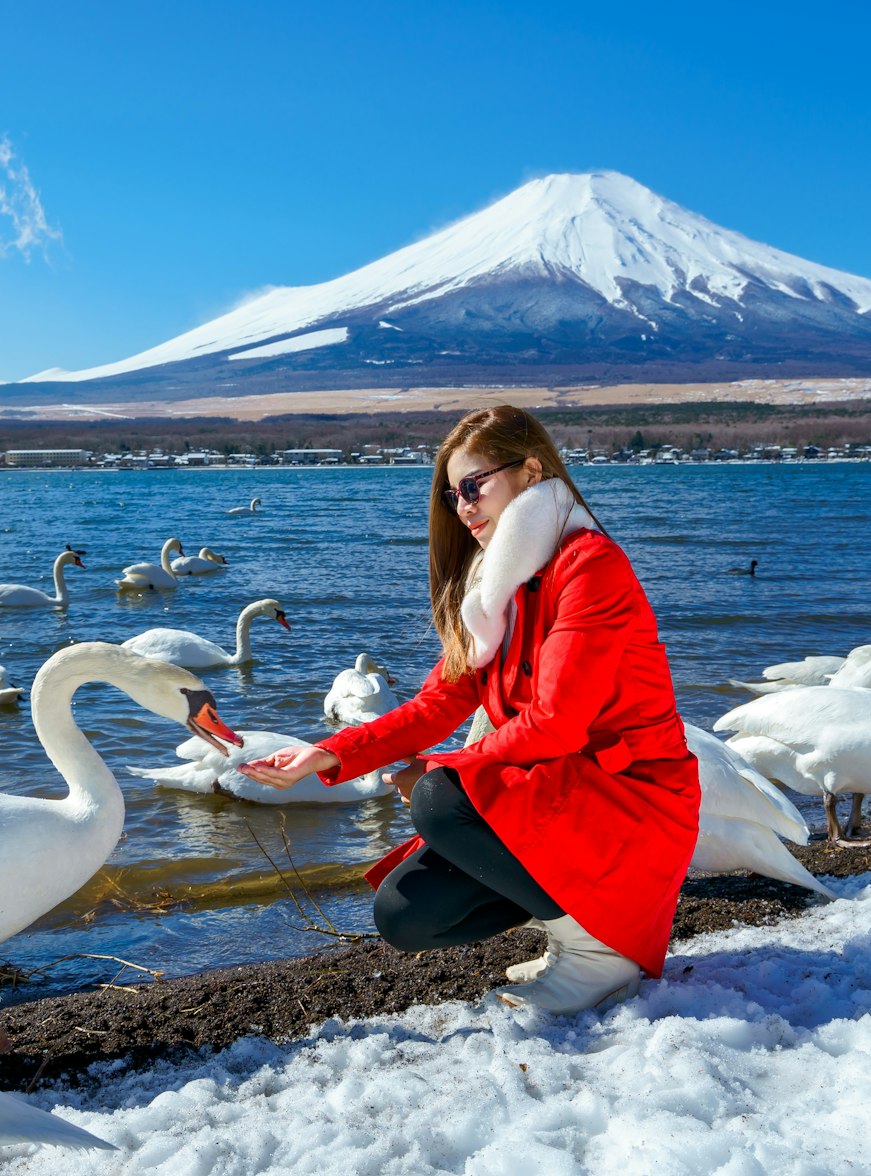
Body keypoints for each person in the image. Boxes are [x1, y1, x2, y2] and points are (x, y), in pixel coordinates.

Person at [239, 405, 699, 1015]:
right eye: (452, 494)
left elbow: (556, 722)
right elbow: (439, 703)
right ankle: (573, 933)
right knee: (405, 914)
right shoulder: (494, 590)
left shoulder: (590, 565)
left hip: (629, 801)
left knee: (441, 798)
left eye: (474, 486)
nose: (462, 507)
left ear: (531, 472)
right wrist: (326, 753)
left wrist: (440, 771)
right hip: (558, 794)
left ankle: (599, 956)